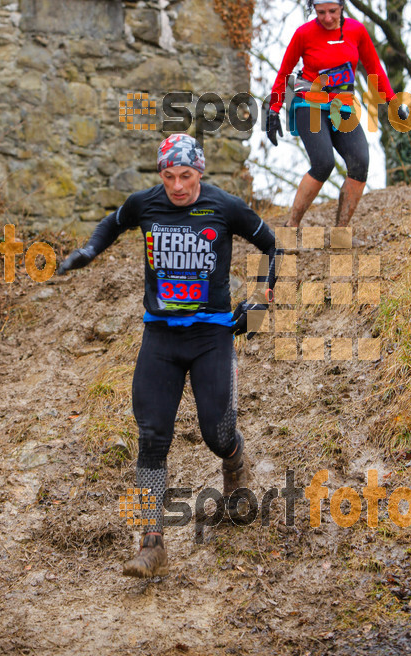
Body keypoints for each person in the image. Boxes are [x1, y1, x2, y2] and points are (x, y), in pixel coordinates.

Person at [58, 133, 280, 578]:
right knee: (152, 436)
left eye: (186, 175)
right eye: (169, 176)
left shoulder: (225, 206)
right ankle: (151, 544)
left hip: (211, 336)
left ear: (200, 171)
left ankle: (235, 463)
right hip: (160, 337)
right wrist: (88, 251)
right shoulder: (146, 204)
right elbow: (112, 223)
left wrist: (260, 304)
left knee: (217, 433)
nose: (177, 186)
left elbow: (273, 245)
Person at [266, 0, 409, 231]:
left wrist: (392, 101)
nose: (327, 17)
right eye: (321, 12)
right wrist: (273, 110)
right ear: (314, 10)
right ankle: (292, 225)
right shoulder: (304, 34)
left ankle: (340, 231)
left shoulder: (356, 31)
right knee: (323, 163)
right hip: (307, 101)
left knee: (360, 162)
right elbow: (284, 72)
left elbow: (374, 68)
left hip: (341, 105)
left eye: (333, 11)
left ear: (342, 7)